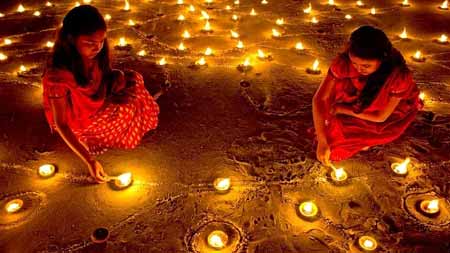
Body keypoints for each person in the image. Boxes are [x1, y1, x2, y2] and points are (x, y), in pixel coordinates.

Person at [42, 5, 161, 183]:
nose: (97, 47)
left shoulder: (94, 55)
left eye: (101, 41)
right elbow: (61, 124)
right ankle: (95, 137)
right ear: (71, 40)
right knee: (128, 110)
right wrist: (90, 160)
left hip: (96, 102)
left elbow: (102, 75)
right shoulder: (57, 78)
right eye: (90, 43)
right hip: (81, 122)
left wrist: (115, 82)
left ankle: (126, 119)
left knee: (133, 80)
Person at [312, 25, 422, 165]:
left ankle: (365, 139)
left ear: (382, 60)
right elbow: (319, 99)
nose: (358, 69)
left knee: (336, 149)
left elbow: (381, 117)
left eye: (366, 66)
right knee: (325, 138)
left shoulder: (397, 78)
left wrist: (342, 109)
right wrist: (322, 141)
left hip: (382, 113)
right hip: (354, 99)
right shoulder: (344, 64)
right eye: (354, 63)